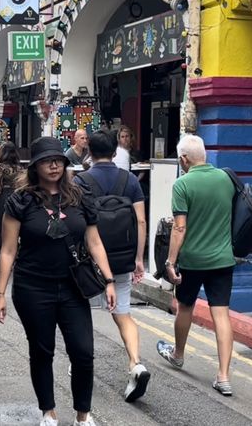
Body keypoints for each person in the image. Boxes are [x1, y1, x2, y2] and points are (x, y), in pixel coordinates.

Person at [0, 137, 116, 426]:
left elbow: (95, 241)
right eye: (47, 161)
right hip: (32, 287)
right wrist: (0, 294)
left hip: (73, 286)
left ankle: (82, 416)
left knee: (83, 352)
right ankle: (48, 411)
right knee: (42, 350)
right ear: (35, 167)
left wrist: (109, 280)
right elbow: (8, 250)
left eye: (58, 160)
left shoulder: (79, 197)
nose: (53, 165)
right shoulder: (20, 201)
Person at [156, 134, 236, 397]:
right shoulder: (226, 179)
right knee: (221, 314)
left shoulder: (183, 184)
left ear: (183, 159)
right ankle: (224, 376)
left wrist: (170, 261)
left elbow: (180, 227)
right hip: (223, 258)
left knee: (186, 307)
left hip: (192, 260)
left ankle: (178, 354)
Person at [73, 130, 149, 402]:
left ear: (88, 152)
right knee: (123, 314)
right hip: (120, 258)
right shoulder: (129, 181)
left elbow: (75, 222)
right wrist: (138, 259)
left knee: (82, 316)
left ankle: (81, 366)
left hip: (88, 261)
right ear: (115, 152)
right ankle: (135, 363)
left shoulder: (80, 180)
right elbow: (140, 221)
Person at [0, 142, 22, 272]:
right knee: (16, 232)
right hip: (17, 198)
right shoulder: (20, 168)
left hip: (3, 199)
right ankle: (14, 260)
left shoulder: (0, 167)